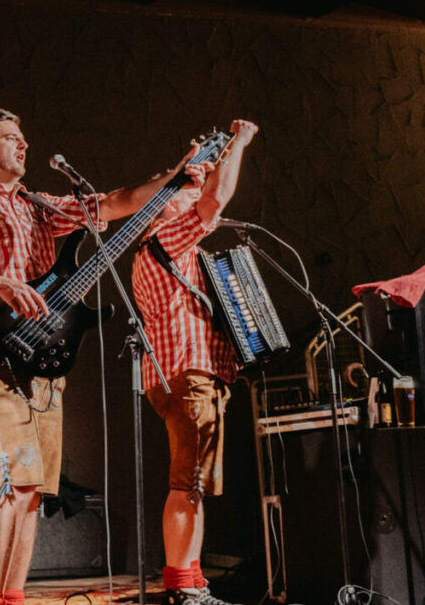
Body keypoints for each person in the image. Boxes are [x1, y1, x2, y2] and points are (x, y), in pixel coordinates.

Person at [0, 107, 209, 605]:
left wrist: (174, 176)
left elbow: (116, 202)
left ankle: (12, 597)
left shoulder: (38, 204)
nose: (24, 144)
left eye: (24, 136)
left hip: (44, 358)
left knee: (32, 492)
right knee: (9, 485)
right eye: (11, 138)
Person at [130, 119, 258, 605]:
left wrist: (196, 166)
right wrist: (238, 143)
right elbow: (212, 203)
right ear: (165, 211)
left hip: (185, 376)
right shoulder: (161, 242)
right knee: (186, 484)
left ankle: (192, 582)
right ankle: (181, 587)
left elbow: (205, 197)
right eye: (184, 197)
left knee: (194, 485)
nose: (194, 200)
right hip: (186, 375)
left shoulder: (167, 252)